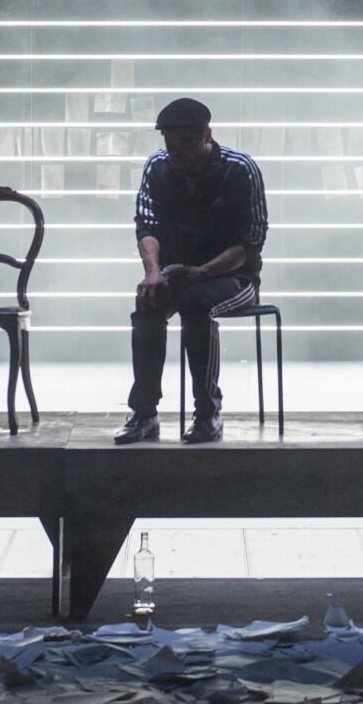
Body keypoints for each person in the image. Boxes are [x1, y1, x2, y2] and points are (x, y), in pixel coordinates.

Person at [113, 97, 268, 446]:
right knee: (148, 303)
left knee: (196, 304)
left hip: (234, 277)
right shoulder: (157, 167)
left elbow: (251, 242)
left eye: (187, 145)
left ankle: (207, 412)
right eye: (172, 147)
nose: (179, 154)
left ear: (207, 136)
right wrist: (153, 273)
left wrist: (204, 271)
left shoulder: (238, 169)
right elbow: (146, 226)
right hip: (176, 274)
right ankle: (144, 413)